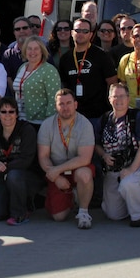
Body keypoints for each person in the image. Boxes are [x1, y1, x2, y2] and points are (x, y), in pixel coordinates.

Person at [37, 89, 96, 228]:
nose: (65, 107)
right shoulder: (46, 125)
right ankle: (73, 196)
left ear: (76, 104)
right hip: (57, 172)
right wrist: (56, 177)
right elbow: (43, 156)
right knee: (59, 217)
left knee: (85, 174)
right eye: (61, 104)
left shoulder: (85, 124)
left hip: (77, 169)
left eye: (69, 103)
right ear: (56, 106)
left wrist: (57, 170)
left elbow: (85, 158)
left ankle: (83, 212)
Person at [96, 83, 140, 227]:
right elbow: (96, 144)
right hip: (113, 168)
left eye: (122, 96)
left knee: (129, 183)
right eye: (115, 96)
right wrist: (104, 155)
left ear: (128, 98)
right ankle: (132, 201)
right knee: (113, 214)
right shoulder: (104, 119)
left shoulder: (136, 117)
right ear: (109, 99)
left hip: (138, 165)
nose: (118, 100)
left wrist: (131, 169)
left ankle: (138, 215)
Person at [0, 96, 41, 224]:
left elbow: (26, 160)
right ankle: (28, 202)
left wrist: (2, 170)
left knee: (14, 175)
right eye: (3, 112)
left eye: (11, 111)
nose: (8, 115)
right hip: (5, 177)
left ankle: (20, 215)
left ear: (17, 114)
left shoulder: (27, 130)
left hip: (28, 176)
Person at [57, 17, 119, 126]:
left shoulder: (101, 55)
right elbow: (64, 85)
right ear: (72, 33)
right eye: (77, 30)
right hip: (74, 114)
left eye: (85, 31)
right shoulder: (65, 58)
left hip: (97, 114)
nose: (81, 34)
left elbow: (112, 83)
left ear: (90, 35)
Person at [12, 36, 61, 128]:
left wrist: (48, 124)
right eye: (29, 49)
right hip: (20, 120)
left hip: (39, 123)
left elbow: (54, 99)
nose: (32, 52)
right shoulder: (22, 68)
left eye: (36, 49)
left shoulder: (49, 70)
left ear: (42, 51)